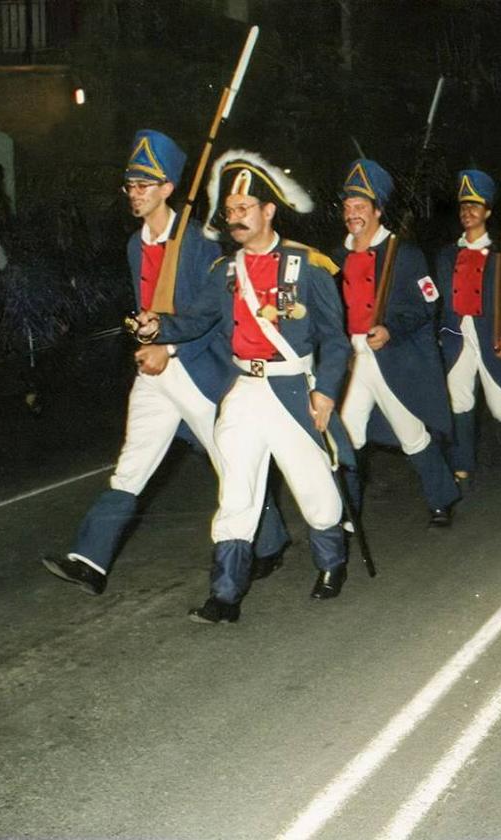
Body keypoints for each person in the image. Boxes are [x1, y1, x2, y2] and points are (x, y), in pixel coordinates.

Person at [43, 130, 288, 597]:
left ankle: (270, 541)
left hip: (196, 370)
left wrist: (168, 345)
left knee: (232, 463)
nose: (135, 194)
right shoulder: (136, 245)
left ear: (168, 189)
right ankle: (90, 560)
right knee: (132, 463)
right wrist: (146, 341)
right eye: (130, 186)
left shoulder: (198, 242)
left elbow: (210, 312)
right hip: (154, 376)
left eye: (144, 185)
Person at [133, 149, 352, 623]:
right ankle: (225, 596)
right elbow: (195, 320)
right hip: (244, 392)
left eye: (244, 210)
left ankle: (332, 563)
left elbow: (336, 341)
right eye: (230, 211)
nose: (235, 219)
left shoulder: (309, 266)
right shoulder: (225, 272)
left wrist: (326, 391)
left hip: (293, 390)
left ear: (268, 210)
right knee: (236, 493)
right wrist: (158, 328)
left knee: (313, 487)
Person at [332, 158, 459, 526]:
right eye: (347, 207)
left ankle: (442, 497)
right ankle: (347, 512)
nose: (352, 214)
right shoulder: (337, 257)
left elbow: (427, 303)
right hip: (353, 359)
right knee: (347, 433)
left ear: (378, 210)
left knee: (410, 434)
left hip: (391, 355)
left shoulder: (405, 254)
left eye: (360, 207)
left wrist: (391, 327)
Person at [435, 169, 501, 484]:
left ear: (488, 212)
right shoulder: (447, 254)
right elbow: (440, 299)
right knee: (459, 400)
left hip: (490, 336)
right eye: (464, 207)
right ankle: (462, 463)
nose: (467, 213)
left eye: (475, 207)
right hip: (457, 338)